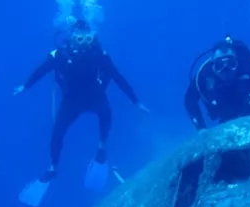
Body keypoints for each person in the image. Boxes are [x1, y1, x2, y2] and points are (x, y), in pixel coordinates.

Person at [14, 20, 149, 181]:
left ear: (92, 38)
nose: (84, 43)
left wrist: (135, 101)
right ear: (71, 37)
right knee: (57, 133)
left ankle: (101, 146)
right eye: (79, 39)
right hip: (71, 102)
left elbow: (117, 77)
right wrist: (25, 86)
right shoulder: (59, 55)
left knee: (106, 113)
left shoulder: (99, 54)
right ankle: (53, 167)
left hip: (95, 97)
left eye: (87, 38)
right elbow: (41, 71)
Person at [185, 36, 250, 130]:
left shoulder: (249, 70)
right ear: (213, 65)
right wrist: (201, 128)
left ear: (237, 62)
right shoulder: (204, 76)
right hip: (227, 120)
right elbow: (189, 101)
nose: (226, 70)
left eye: (231, 64)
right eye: (220, 65)